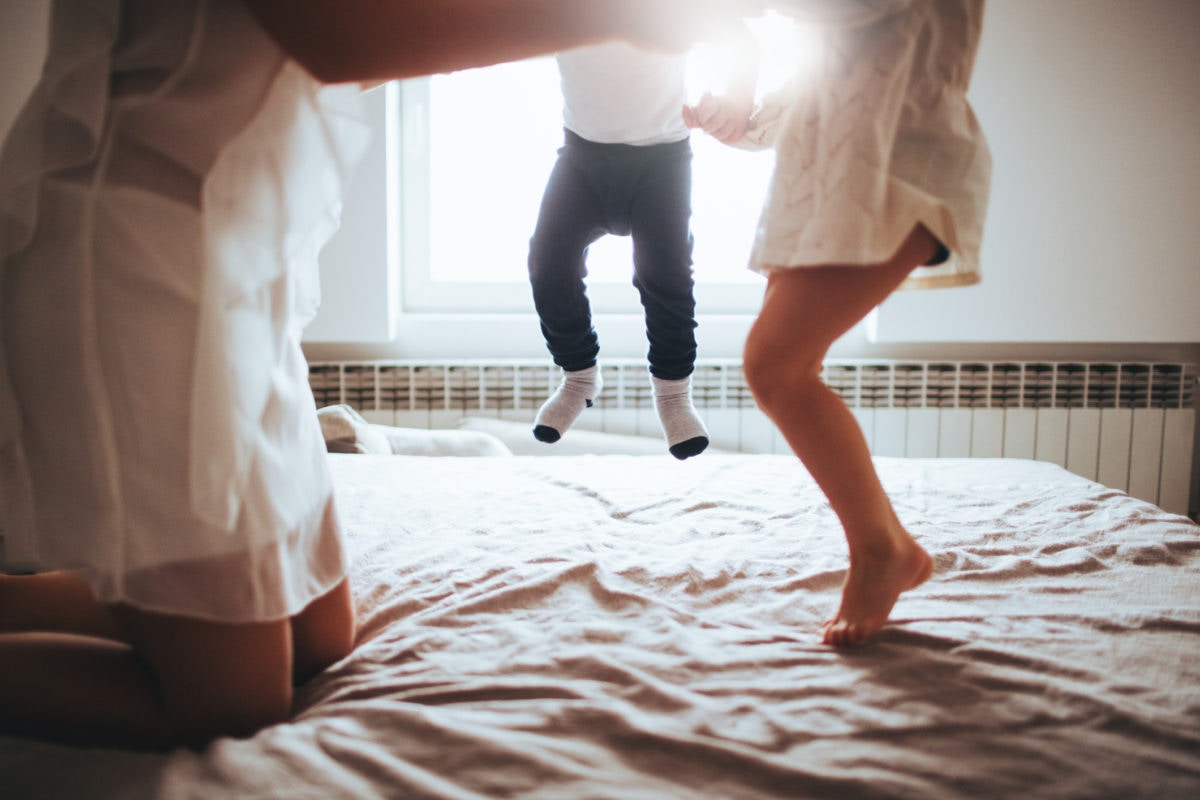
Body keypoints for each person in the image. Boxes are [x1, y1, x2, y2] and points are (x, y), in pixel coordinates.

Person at [0, 0, 755, 749]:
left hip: (232, 270)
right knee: (234, 702)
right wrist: (623, 18)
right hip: (145, 270)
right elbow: (335, 34)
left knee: (322, 635)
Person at [684, 0, 991, 645]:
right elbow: (823, 77)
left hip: (898, 166)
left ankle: (881, 550)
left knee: (775, 366)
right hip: (827, 178)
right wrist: (743, 119)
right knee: (783, 368)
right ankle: (891, 547)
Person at [527, 34, 756, 460]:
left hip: (662, 161)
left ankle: (673, 395)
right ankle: (579, 378)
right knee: (547, 265)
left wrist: (736, 98)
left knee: (664, 274)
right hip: (582, 158)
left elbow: (738, 37)